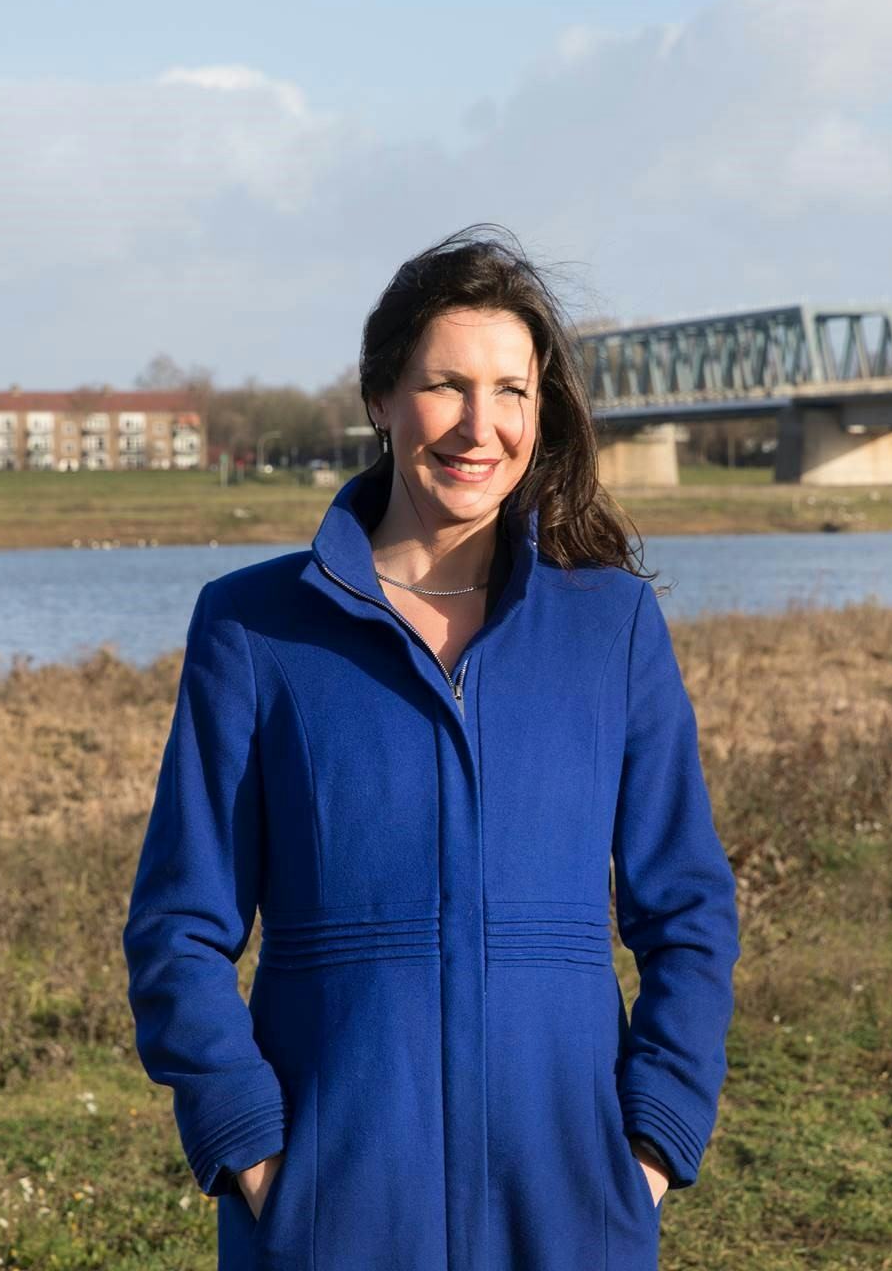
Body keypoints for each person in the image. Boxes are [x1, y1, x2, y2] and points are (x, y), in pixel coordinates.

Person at [123, 224, 741, 1270]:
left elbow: (687, 909)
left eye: (511, 390)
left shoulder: (611, 628)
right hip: (332, 1217)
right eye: (445, 384)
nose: (479, 424)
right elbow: (178, 927)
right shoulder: (254, 627)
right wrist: (259, 1157)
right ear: (380, 396)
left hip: (570, 1210)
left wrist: (650, 1145)